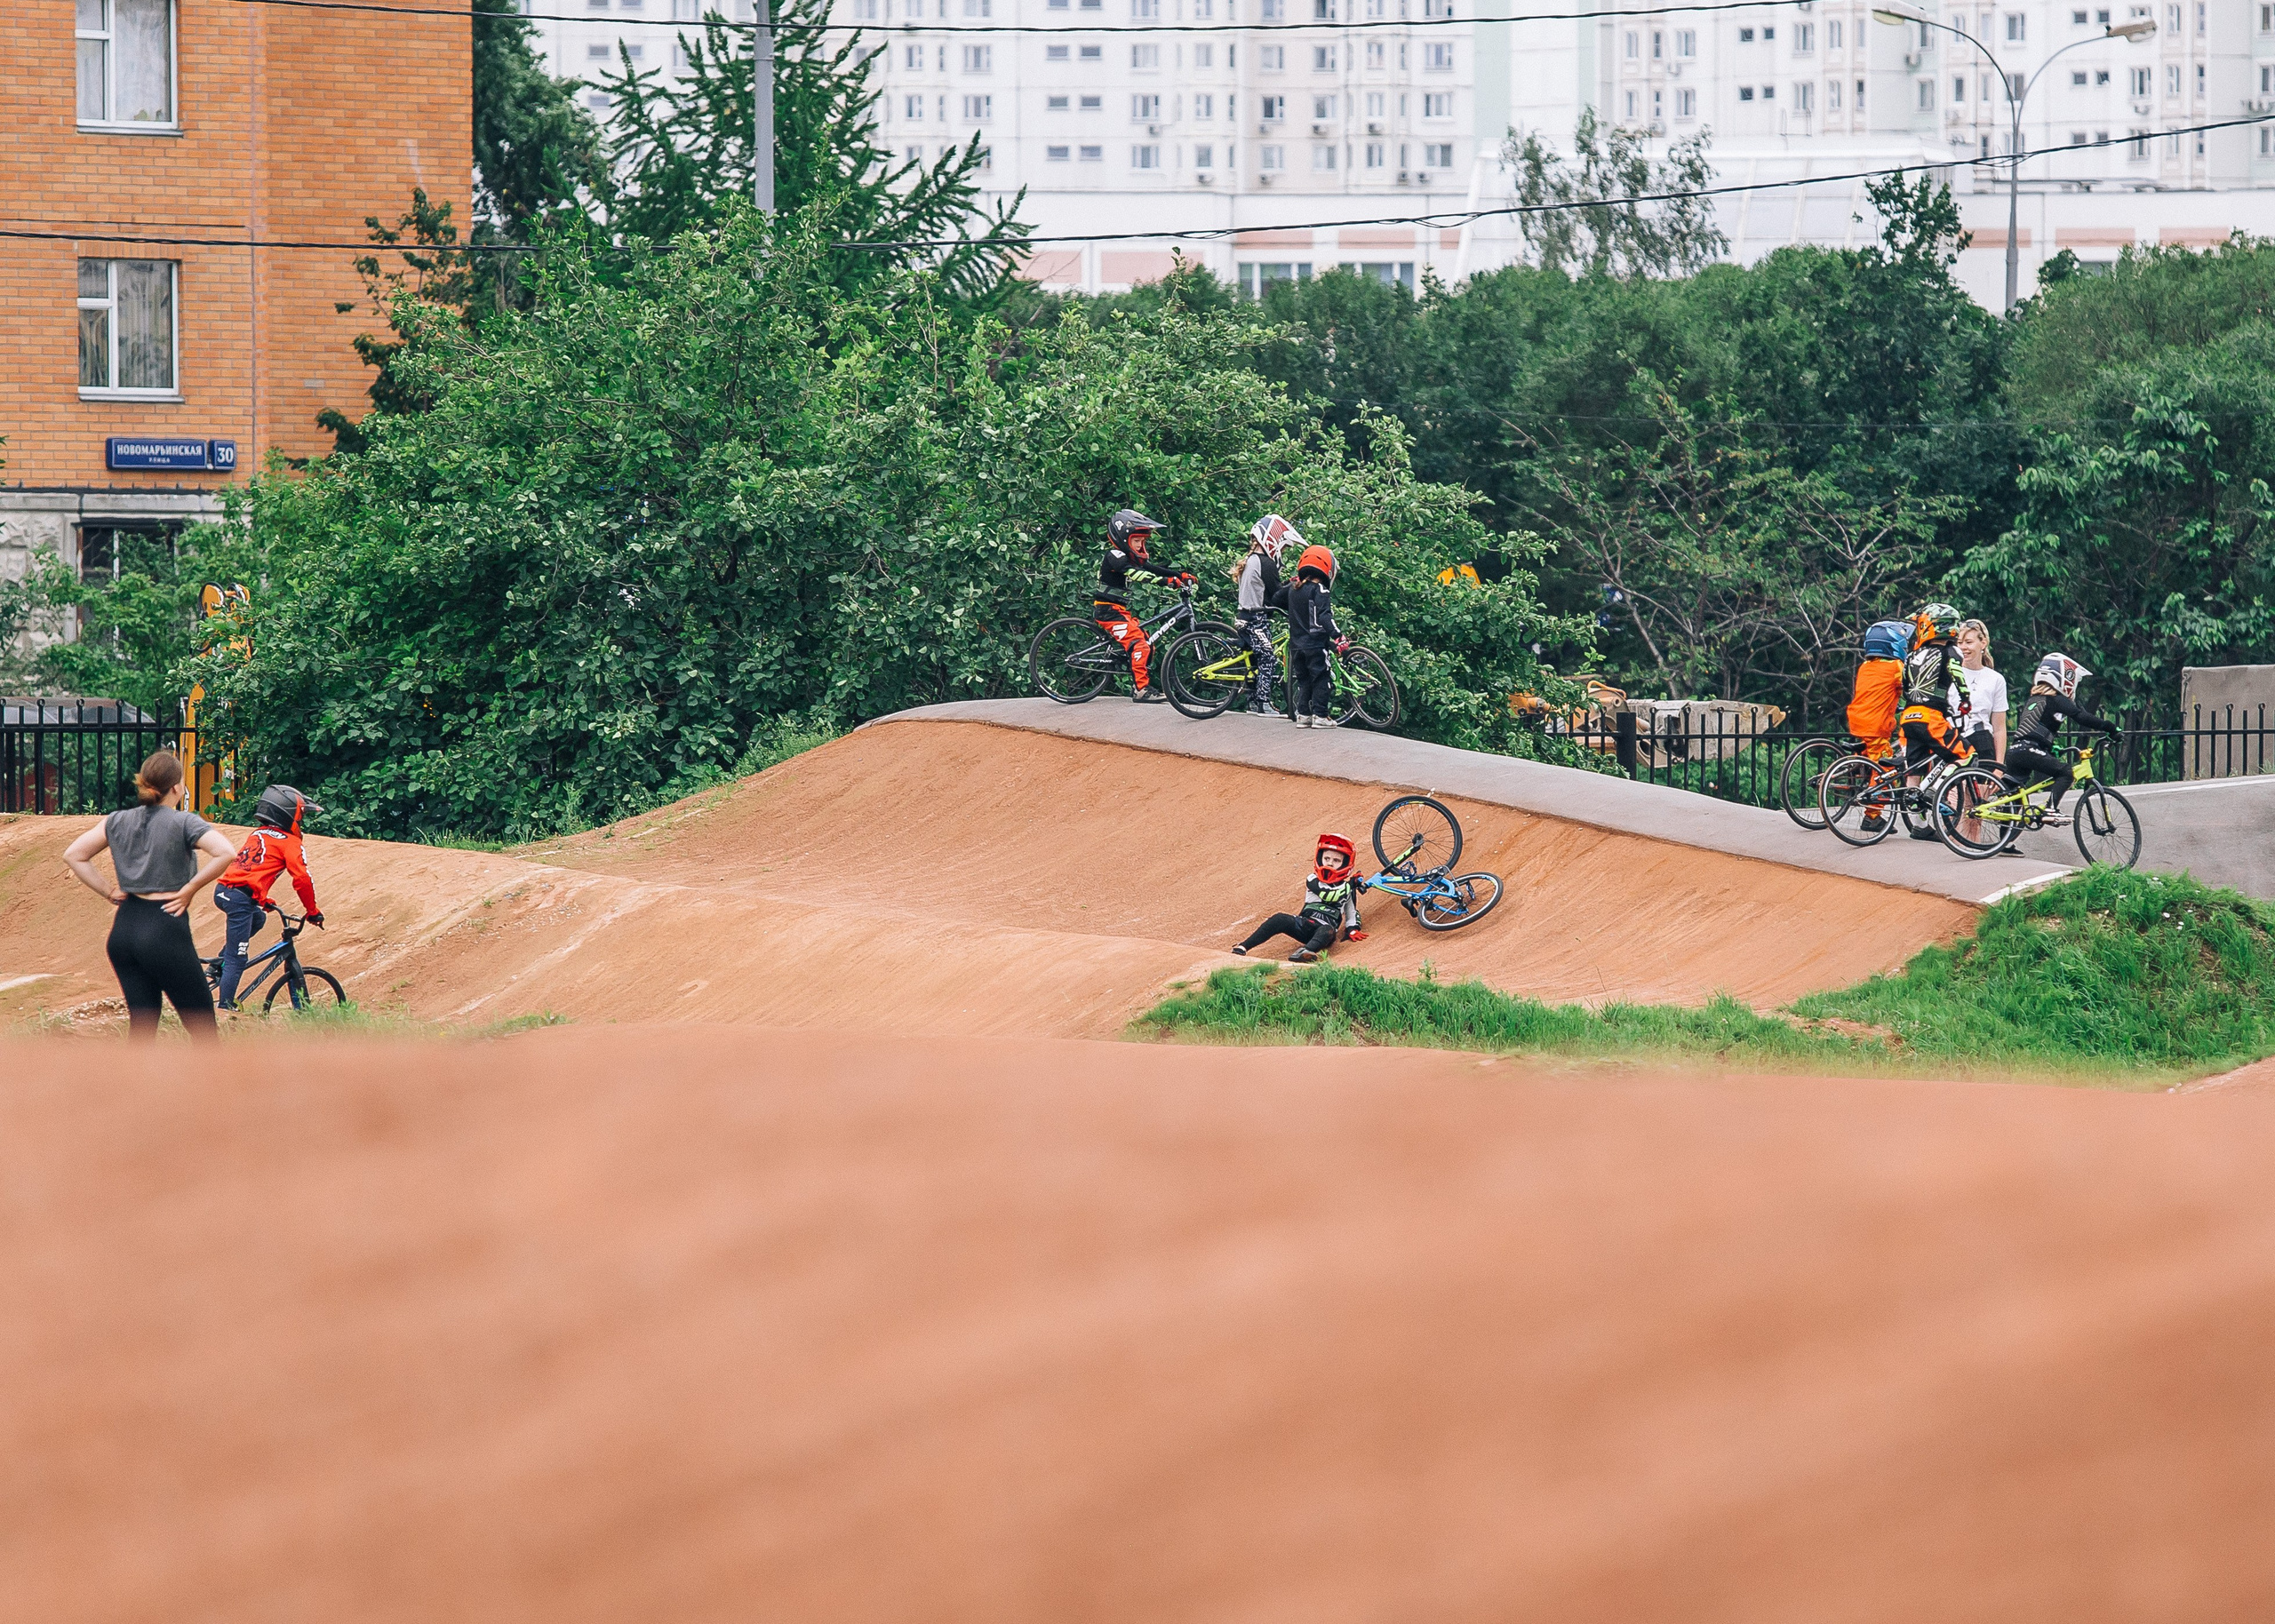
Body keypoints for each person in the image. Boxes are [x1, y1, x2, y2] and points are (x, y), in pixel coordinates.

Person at [60, 750, 237, 1043]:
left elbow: (74, 854)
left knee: (142, 1027)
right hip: (164, 927)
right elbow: (226, 852)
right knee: (204, 1029)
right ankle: (216, 1089)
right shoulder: (183, 822)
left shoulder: (117, 820)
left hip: (125, 928)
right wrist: (190, 889)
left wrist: (108, 891)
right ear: (178, 787)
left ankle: (132, 1089)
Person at [212, 784, 326, 1011]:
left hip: (225, 891)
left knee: (258, 919)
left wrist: (262, 899)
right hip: (239, 900)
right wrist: (312, 911)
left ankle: (218, 964)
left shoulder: (258, 833)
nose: (300, 822)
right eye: (300, 816)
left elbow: (249, 870)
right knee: (238, 958)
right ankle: (225, 1008)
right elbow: (302, 879)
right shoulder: (290, 842)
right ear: (288, 814)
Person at [1092, 507, 1193, 705]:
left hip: (1118, 611)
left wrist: (1179, 575)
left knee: (1147, 641)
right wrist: (1165, 582)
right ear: (1123, 538)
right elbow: (1134, 573)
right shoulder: (1115, 555)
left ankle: (1138, 683)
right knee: (1140, 644)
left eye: (1142, 542)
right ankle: (1141, 690)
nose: (1140, 546)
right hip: (1108, 611)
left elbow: (1152, 568)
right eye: (1136, 541)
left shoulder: (1128, 556)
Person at [2001, 654, 2118, 825]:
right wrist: (2110, 727)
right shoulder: (2056, 699)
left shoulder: (2034, 698)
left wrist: (2049, 747)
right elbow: (2081, 716)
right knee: (2066, 773)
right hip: (2029, 750)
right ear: (2065, 678)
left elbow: (2035, 729)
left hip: (2016, 751)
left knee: (2017, 801)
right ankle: (2052, 808)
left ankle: (2004, 844)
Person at [1231, 832, 1369, 962]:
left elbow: (1351, 911)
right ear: (1320, 858)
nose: (1330, 863)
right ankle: (1243, 946)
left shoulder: (1348, 889)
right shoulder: (1313, 879)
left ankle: (1306, 952)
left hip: (1326, 932)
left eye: (1336, 860)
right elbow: (1329, 896)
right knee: (1279, 918)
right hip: (1305, 924)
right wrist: (1351, 884)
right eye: (1326, 858)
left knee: (1328, 929)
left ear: (1346, 864)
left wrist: (1353, 928)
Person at [1231, 513, 1298, 715]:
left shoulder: (1252, 559)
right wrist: (1294, 588)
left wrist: (1286, 585)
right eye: (1284, 547)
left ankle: (1251, 701)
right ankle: (1262, 702)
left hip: (1243, 615)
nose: (1283, 552)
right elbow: (1276, 596)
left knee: (1254, 659)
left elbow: (1269, 592)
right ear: (1273, 541)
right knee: (1268, 658)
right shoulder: (1266, 563)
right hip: (1256, 619)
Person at [1285, 543, 1349, 728]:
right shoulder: (1320, 590)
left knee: (1304, 680)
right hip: (1315, 644)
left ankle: (1303, 715)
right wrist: (1338, 635)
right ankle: (1321, 715)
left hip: (1296, 645)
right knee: (1321, 677)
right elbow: (1324, 616)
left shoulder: (1293, 588)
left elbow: (1276, 599)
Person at [1955, 618, 2008, 763]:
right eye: (1960, 643)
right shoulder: (1949, 673)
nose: (1963, 648)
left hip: (1981, 741)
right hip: (1952, 741)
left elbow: (1999, 728)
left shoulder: (1995, 679)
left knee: (1981, 786)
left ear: (1983, 643)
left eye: (1969, 642)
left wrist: (1999, 765)